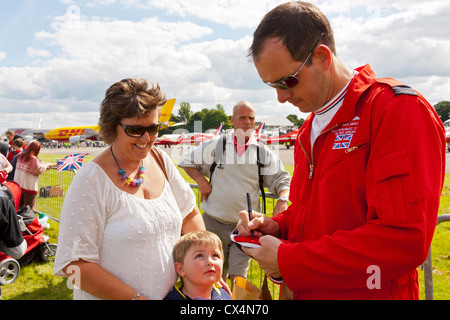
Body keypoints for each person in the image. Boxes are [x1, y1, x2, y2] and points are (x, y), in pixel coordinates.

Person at [236, 1, 446, 300]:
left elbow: (402, 239)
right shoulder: (310, 129)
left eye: (287, 81)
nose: (281, 97)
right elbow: (319, 214)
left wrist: (288, 260)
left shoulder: (395, 110)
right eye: (272, 85)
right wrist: (278, 227)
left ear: (322, 57)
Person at [53, 78, 206, 300]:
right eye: (135, 129)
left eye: (153, 128)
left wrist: (203, 262)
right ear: (112, 126)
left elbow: (189, 214)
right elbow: (74, 265)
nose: (146, 138)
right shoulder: (91, 179)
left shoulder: (160, 160)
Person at [178, 100, 291, 285]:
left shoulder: (263, 152)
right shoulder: (216, 145)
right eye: (242, 117)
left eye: (251, 118)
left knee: (239, 278)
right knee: (212, 275)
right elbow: (185, 161)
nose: (247, 122)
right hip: (214, 223)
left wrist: (282, 199)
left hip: (246, 228)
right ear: (232, 120)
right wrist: (201, 181)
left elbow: (282, 178)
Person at [164, 230, 231, 300]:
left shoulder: (224, 295)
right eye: (199, 256)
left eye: (215, 255)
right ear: (181, 269)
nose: (210, 262)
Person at [13, 141, 53, 210]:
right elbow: (39, 170)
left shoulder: (20, 156)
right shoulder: (33, 159)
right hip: (28, 188)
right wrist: (47, 165)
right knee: (29, 211)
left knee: (19, 209)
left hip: (18, 186)